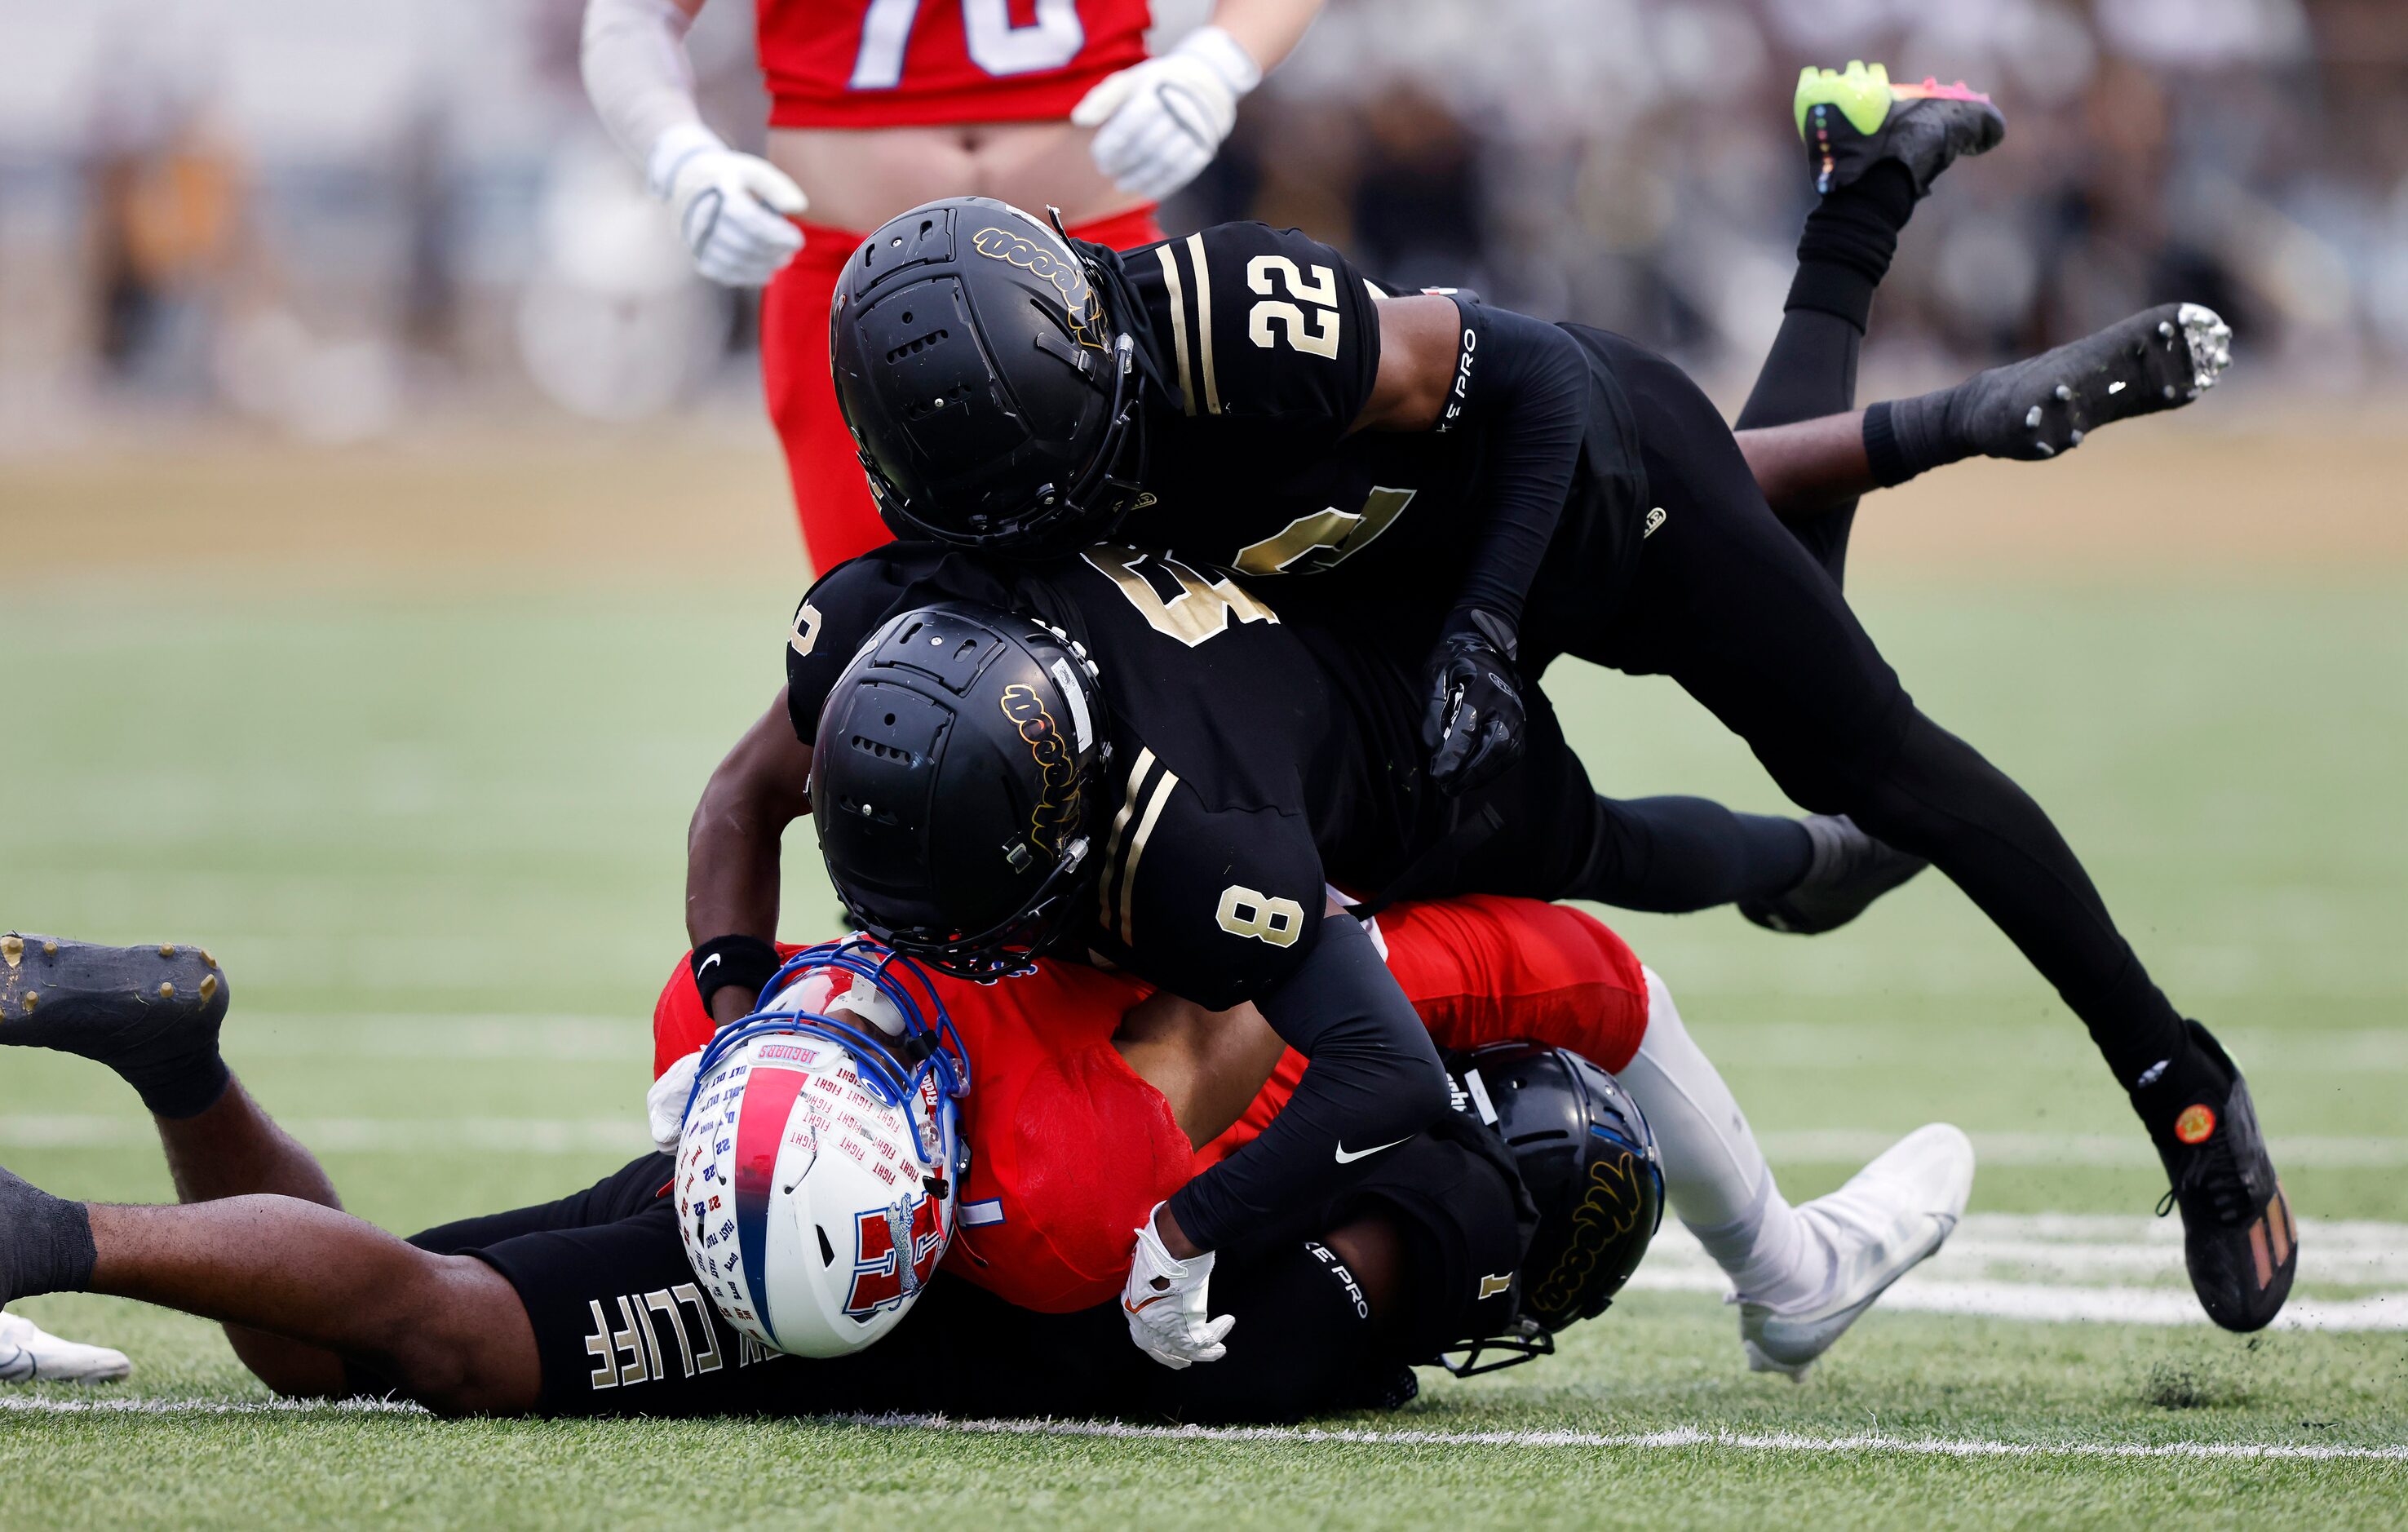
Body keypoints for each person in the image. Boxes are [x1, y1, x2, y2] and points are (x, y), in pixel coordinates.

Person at [817, 63, 2291, 1332]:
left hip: (1570, 494)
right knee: (1503, 828)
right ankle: (1881, 283)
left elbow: (1540, 384)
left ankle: (2182, 1080)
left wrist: (1484, 628)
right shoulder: (986, 462)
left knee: (1872, 761)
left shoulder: (1233, 321)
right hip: (1356, 594)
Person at [0, 908, 1963, 1413]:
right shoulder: (1385, 1257)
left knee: (346, 1332)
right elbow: (1156, 1330)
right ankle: (43, 1230)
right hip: (896, 1257)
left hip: (884, 1054)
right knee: (422, 1336)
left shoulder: (1352, 973)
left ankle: (177, 1069)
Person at [648, 893, 1971, 1374]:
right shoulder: (1091, 1191)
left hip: (991, 1072)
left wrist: (723, 1032)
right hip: (1090, 1195)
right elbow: (1605, 981)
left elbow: (755, 782)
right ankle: (1788, 1275)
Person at [581, 0, 1324, 569]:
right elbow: (632, 16)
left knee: (1139, 604)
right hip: (851, 271)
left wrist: (1216, 66)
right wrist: (675, 153)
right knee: (877, 627)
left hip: (1094, 259)